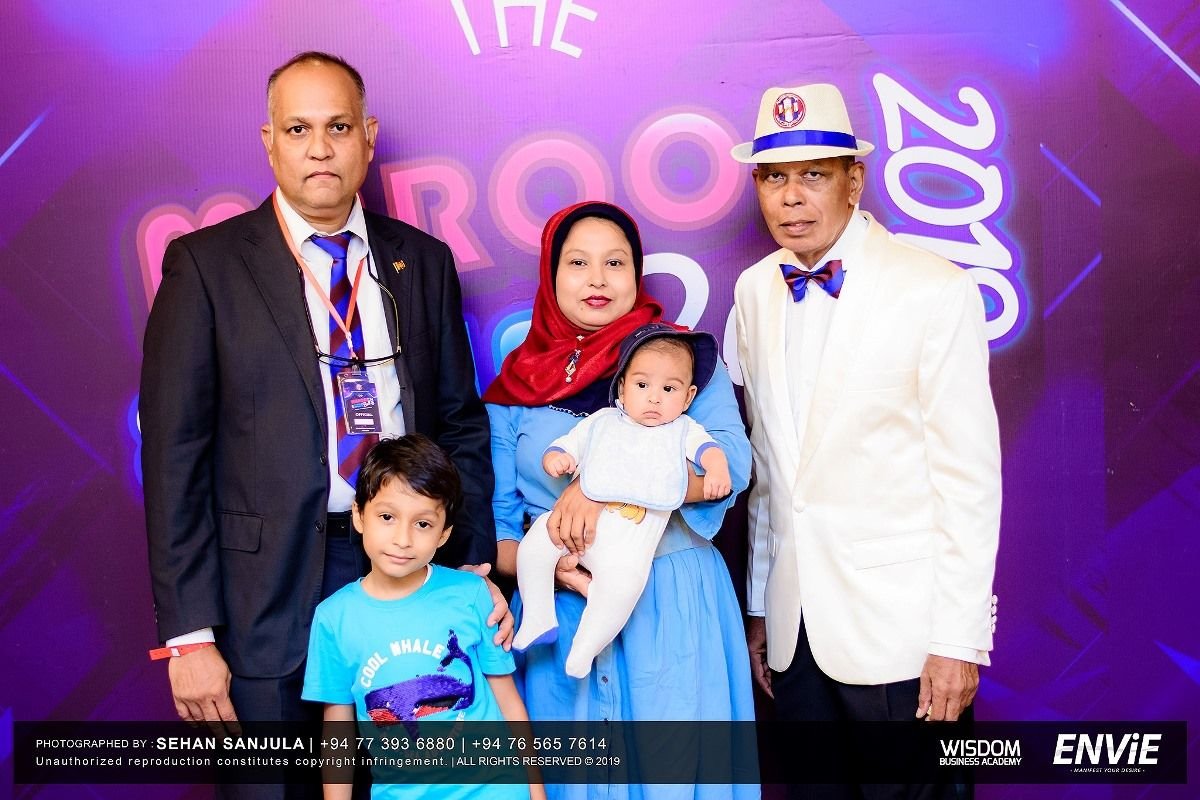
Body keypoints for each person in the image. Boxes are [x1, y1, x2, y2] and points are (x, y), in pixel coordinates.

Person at [139, 51, 506, 797]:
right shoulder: (205, 266)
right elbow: (175, 457)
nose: (319, 148)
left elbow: (460, 423)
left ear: (368, 136)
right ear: (269, 141)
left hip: (408, 569)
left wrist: (468, 565)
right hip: (261, 597)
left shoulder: (423, 261)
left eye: (338, 127)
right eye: (298, 128)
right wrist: (188, 635)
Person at [732, 83, 1002, 797]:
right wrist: (761, 604)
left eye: (813, 174)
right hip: (795, 637)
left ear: (855, 180)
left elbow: (969, 482)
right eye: (773, 176)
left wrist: (958, 641)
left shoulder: (933, 289)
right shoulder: (754, 290)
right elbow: (770, 469)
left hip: (904, 636)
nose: (791, 197)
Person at [484, 201, 759, 800]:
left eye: (615, 263)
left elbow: (730, 470)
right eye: (577, 262)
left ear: (637, 273)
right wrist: (551, 565)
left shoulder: (680, 358)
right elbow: (501, 526)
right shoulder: (516, 382)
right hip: (560, 607)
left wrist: (597, 488)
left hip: (670, 600)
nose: (598, 279)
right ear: (551, 273)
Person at [303, 435, 545, 800]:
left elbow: (509, 704)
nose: (403, 539)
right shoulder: (333, 618)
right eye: (387, 517)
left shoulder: (471, 594)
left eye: (423, 524)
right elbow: (338, 732)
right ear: (358, 514)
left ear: (444, 533)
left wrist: (536, 792)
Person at [512, 323, 732, 678]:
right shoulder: (602, 421)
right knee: (536, 545)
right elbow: (570, 444)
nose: (654, 398)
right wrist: (559, 457)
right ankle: (539, 617)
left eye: (669, 389)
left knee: (622, 589)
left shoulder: (682, 431)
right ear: (622, 388)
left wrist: (717, 469)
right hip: (572, 532)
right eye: (642, 386)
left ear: (688, 397)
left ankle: (585, 648)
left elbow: (710, 451)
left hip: (627, 548)